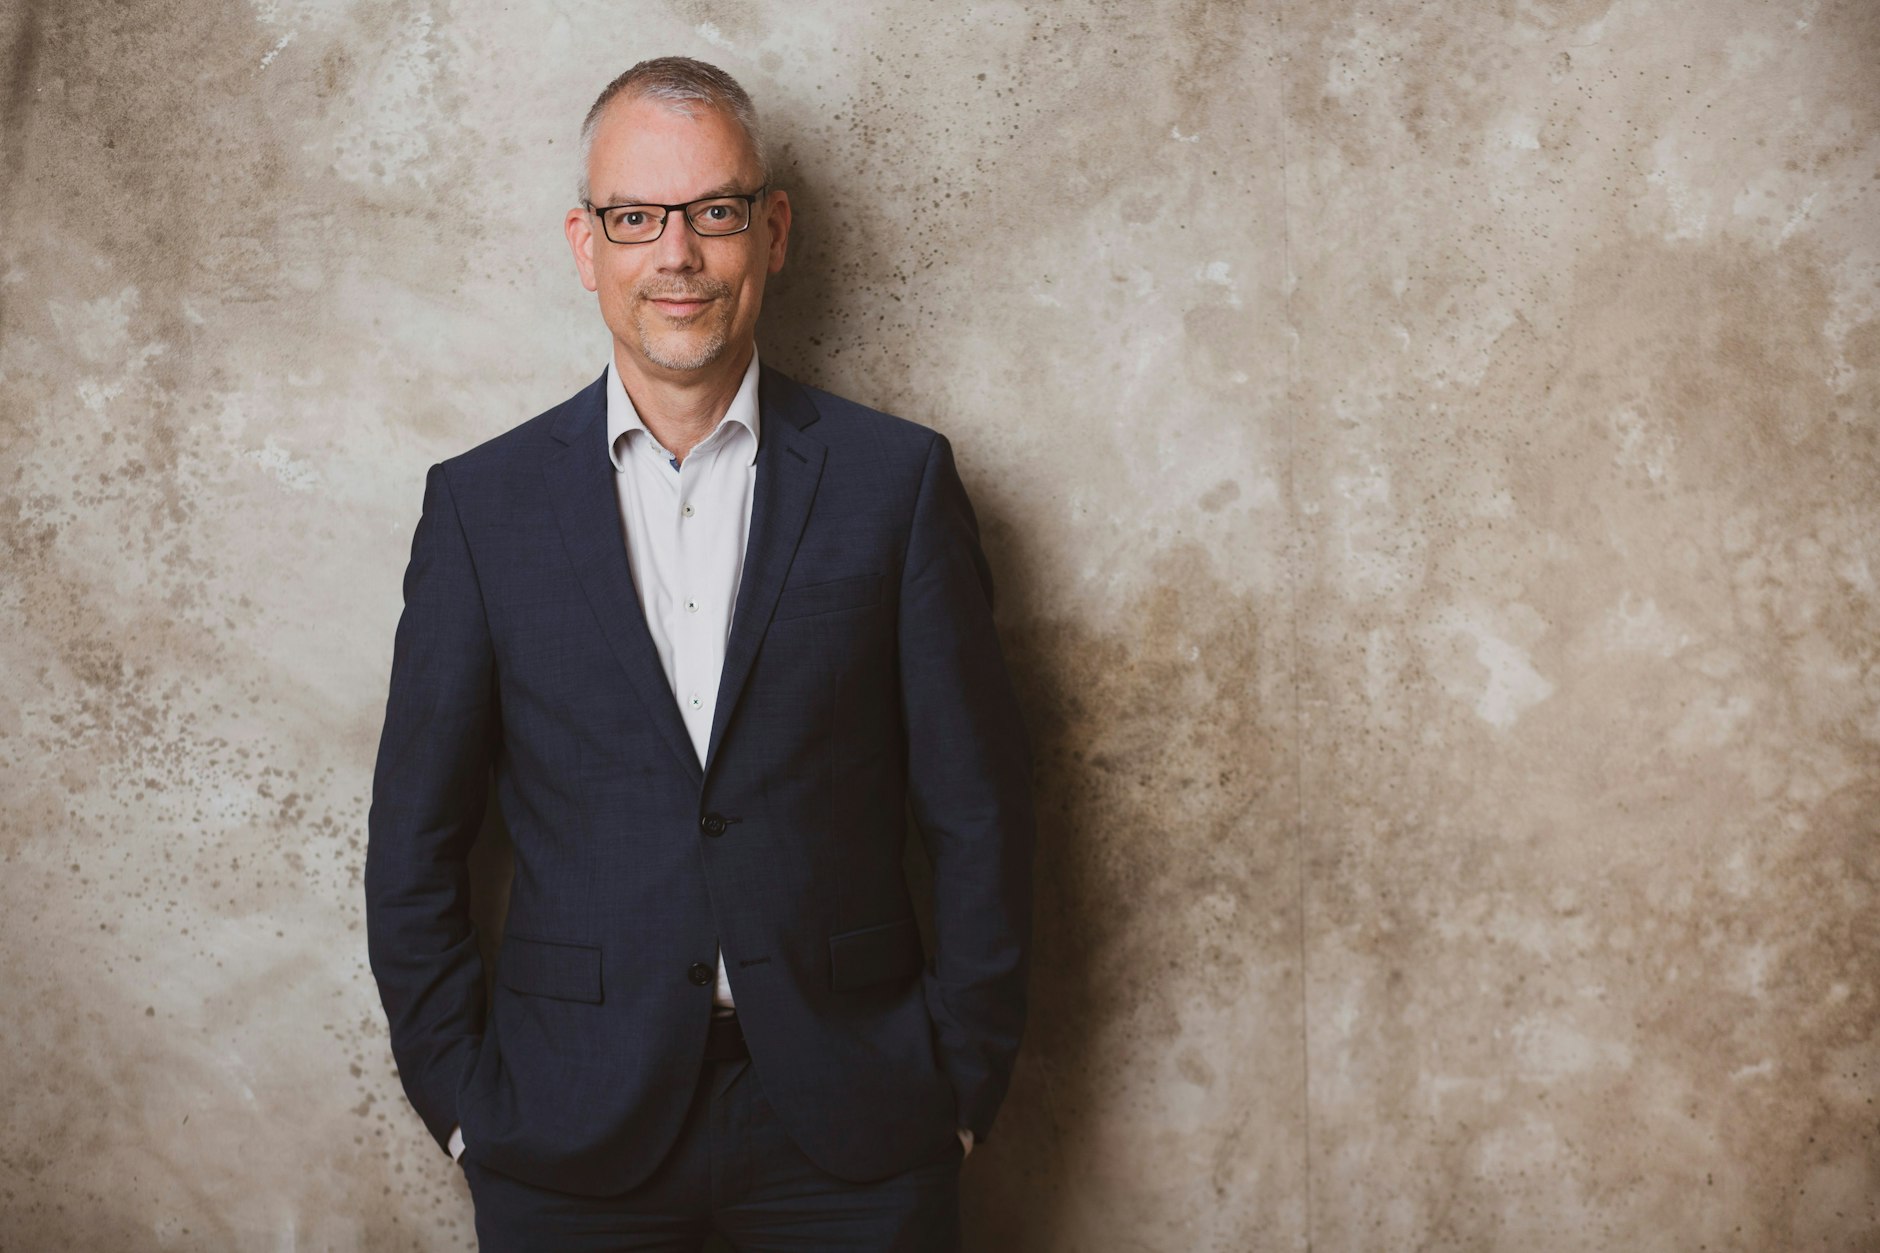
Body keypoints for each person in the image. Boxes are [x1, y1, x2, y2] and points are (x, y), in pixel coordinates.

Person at [362, 55, 1036, 1251]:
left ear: (769, 232)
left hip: (856, 1131)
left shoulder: (895, 484)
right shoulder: (481, 508)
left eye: (712, 211)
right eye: (635, 217)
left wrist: (956, 1091)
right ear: (585, 245)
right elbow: (413, 842)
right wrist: (467, 1109)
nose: (675, 253)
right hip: (565, 1129)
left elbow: (978, 813)